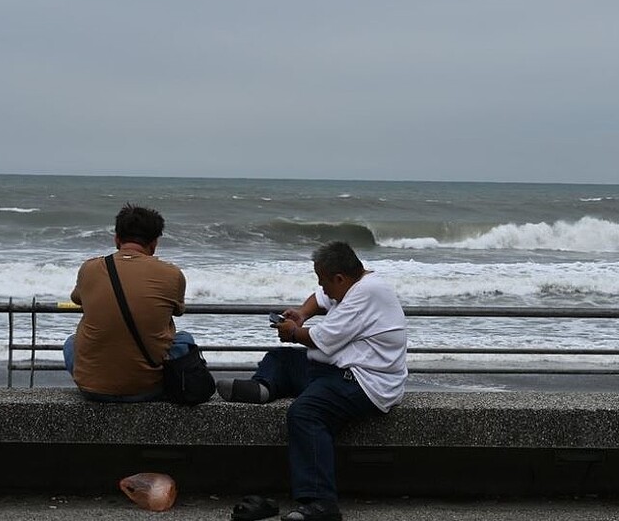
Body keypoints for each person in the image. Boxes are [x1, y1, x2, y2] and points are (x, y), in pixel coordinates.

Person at [219, 241, 408, 521]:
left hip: (365, 381)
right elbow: (320, 298)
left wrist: (294, 332)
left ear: (340, 278)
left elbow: (324, 337)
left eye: (324, 280)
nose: (322, 286)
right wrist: (302, 313)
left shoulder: (367, 293)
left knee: (306, 413)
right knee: (281, 359)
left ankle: (321, 503)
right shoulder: (353, 284)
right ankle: (264, 387)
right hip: (336, 369)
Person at [63, 203, 196, 402]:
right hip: (149, 388)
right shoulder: (172, 274)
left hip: (92, 388)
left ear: (117, 238)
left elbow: (77, 299)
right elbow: (177, 310)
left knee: (71, 342)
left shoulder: (89, 269)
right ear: (154, 242)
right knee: (184, 339)